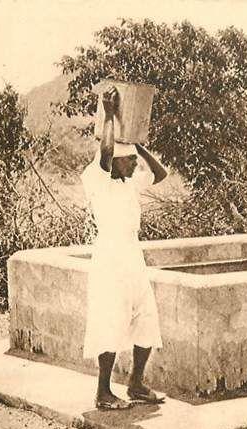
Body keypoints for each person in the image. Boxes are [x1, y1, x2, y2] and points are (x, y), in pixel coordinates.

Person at [81, 85, 169, 410]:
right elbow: (105, 154)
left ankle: (136, 384)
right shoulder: (98, 179)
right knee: (110, 321)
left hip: (133, 258)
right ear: (114, 163)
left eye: (134, 161)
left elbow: (161, 173)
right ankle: (103, 393)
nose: (134, 165)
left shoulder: (130, 183)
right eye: (129, 161)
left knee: (146, 319)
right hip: (109, 259)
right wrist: (108, 116)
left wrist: (137, 145)